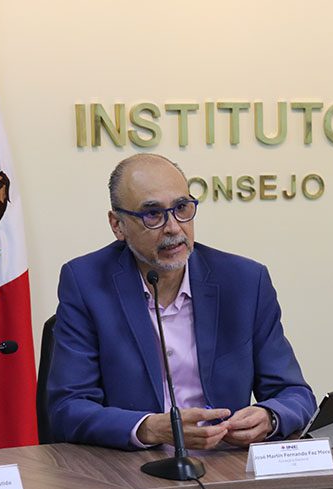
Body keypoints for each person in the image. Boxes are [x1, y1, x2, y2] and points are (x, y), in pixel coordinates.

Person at [47, 153, 316, 450]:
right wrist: (148, 428)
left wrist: (270, 416)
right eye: (153, 214)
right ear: (118, 225)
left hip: (224, 462)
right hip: (134, 465)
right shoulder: (86, 283)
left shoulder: (244, 282)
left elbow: (295, 394)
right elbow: (68, 408)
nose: (173, 227)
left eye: (181, 208)